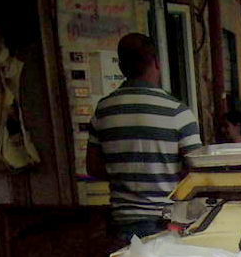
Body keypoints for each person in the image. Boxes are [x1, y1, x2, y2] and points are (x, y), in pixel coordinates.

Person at [85, 33, 202, 244]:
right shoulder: (177, 112)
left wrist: (126, 174)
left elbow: (93, 167)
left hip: (123, 222)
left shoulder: (104, 110)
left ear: (121, 67)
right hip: (167, 222)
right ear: (156, 62)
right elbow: (196, 170)